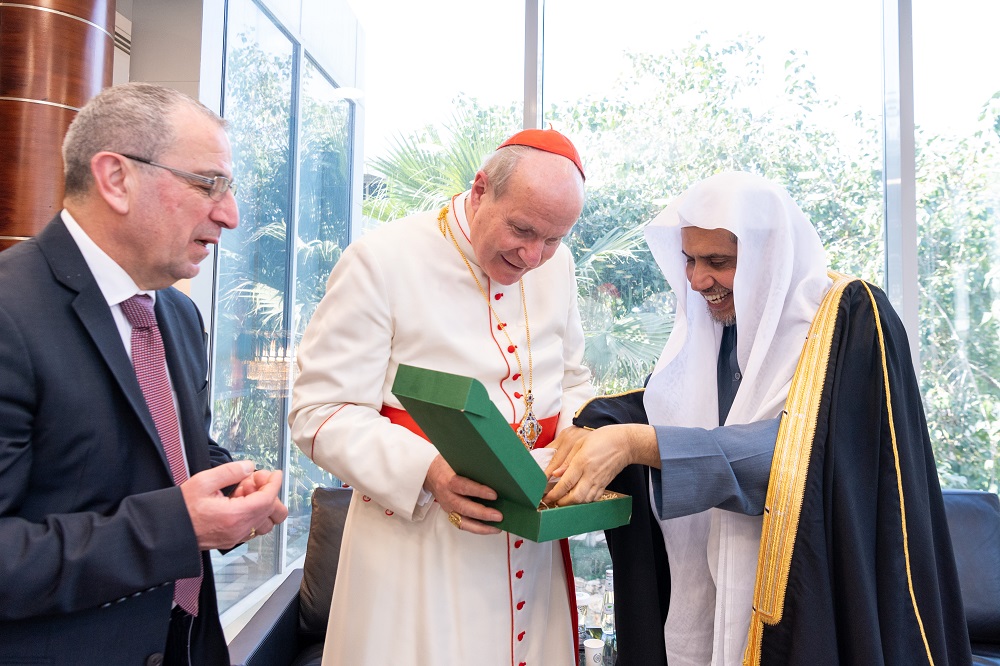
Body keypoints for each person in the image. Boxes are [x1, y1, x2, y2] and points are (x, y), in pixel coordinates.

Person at [543, 171, 972, 665]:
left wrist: (640, 445)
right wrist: (595, 423)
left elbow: (807, 449)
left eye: (718, 262)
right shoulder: (725, 328)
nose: (697, 280)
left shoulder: (853, 317)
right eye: (689, 259)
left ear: (768, 256)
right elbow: (672, 405)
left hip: (816, 593)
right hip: (713, 584)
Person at [0, 82, 288, 666]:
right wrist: (178, 528)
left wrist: (232, 489)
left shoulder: (176, 313)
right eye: (209, 184)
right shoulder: (10, 311)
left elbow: (173, 446)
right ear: (115, 179)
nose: (229, 215)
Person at [289, 128, 594, 665]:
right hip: (419, 552)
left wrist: (573, 448)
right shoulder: (381, 260)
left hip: (534, 548)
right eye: (522, 229)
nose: (533, 256)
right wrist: (430, 471)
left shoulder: (557, 266)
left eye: (554, 239)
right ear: (480, 190)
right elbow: (319, 412)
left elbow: (572, 377)